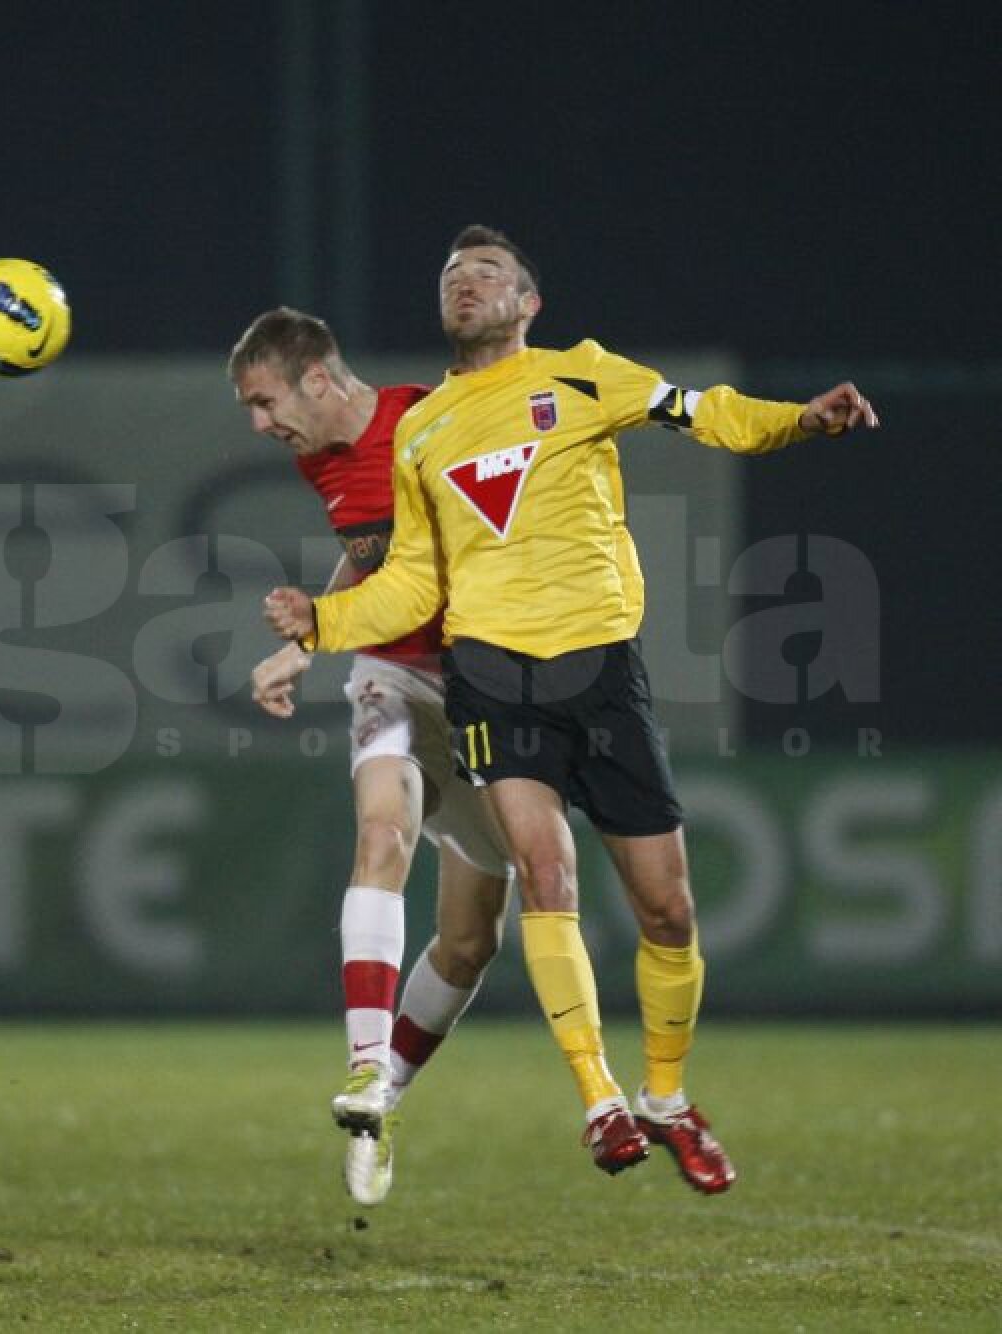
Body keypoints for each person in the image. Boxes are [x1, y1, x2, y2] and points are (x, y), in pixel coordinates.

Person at [264, 224, 880, 1194]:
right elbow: (414, 580)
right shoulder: (424, 429)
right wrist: (322, 622)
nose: (467, 284)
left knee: (667, 907)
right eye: (453, 274)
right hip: (490, 676)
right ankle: (598, 1098)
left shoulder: (586, 376)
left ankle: (665, 1097)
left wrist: (798, 421)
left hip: (600, 670)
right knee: (546, 871)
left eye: (490, 273)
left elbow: (706, 411)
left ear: (529, 304)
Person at [228, 307, 512, 1207]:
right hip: (391, 676)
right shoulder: (319, 460)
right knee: (382, 837)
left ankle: (385, 1093)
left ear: (316, 378)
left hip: (482, 686)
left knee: (471, 940)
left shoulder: (432, 422)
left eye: (263, 399)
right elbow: (373, 561)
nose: (259, 424)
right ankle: (360, 1066)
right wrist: (310, 640)